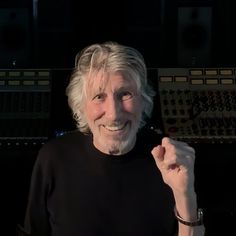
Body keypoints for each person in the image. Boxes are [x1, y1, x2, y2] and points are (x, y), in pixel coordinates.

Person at [18, 41, 205, 236]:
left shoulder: (170, 162)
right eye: (99, 96)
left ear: (143, 100)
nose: (114, 114)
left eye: (125, 94)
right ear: (81, 107)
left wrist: (185, 195)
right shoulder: (54, 157)